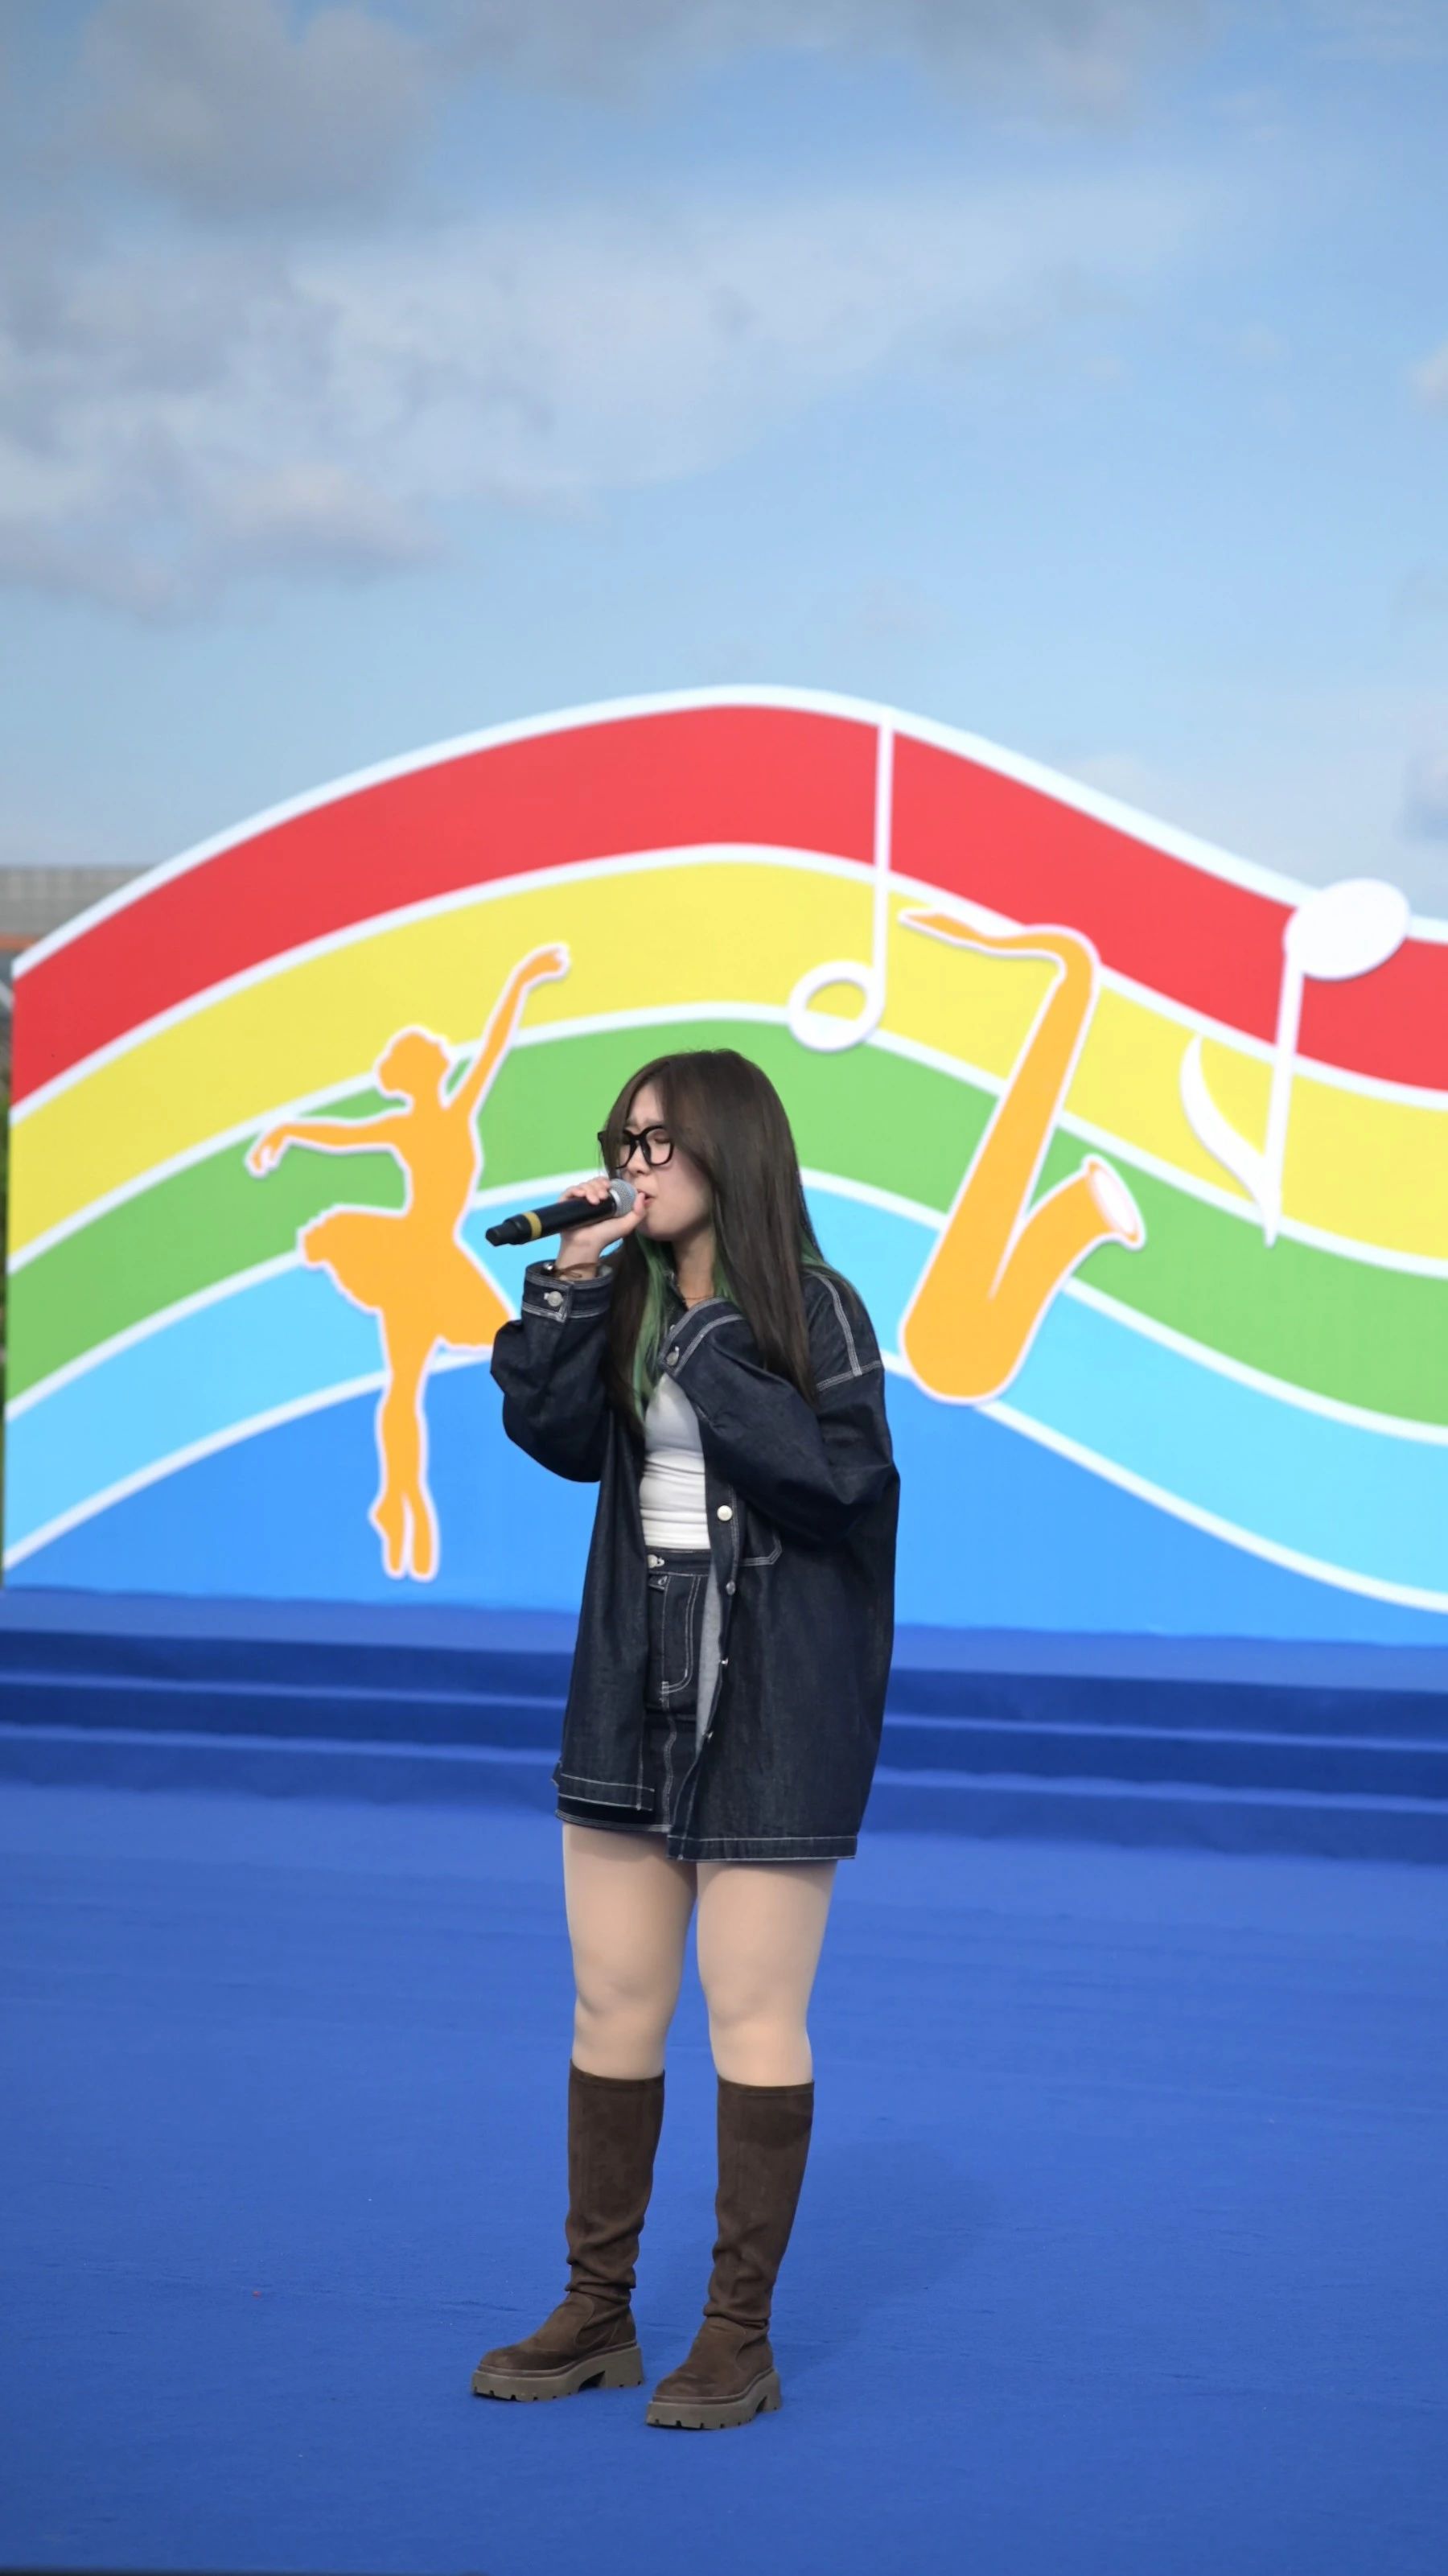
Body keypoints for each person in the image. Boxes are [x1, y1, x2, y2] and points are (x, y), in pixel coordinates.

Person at [472, 1047, 899, 2430]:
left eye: (654, 1142)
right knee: (611, 2000)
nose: (630, 1164)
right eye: (622, 1140)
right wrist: (574, 1278)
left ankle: (736, 2334)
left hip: (769, 1704)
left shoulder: (813, 1309)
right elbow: (550, 1433)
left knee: (752, 2011)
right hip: (629, 1687)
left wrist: (709, 1341)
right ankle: (596, 2309)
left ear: (729, 1150)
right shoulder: (626, 1298)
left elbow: (837, 1485)